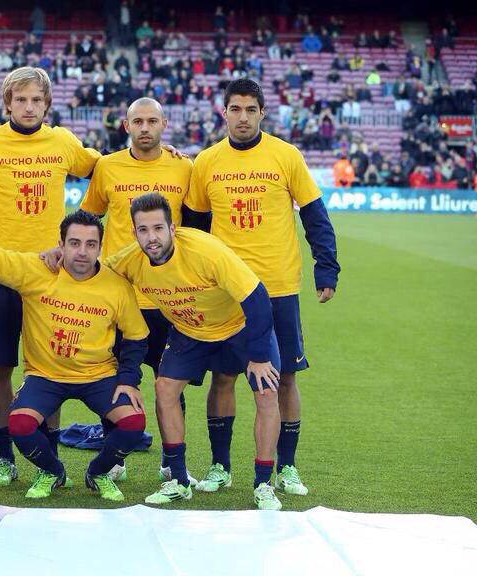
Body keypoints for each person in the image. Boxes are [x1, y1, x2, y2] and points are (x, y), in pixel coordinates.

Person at [0, 67, 102, 486]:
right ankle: (4, 456)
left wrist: (157, 153)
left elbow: (108, 170)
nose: (29, 107)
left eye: (36, 100)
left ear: (47, 105)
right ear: (7, 104)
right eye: (21, 99)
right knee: (0, 369)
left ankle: (50, 459)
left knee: (51, 370)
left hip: (51, 275)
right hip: (0, 275)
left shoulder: (63, 142)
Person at [184, 78, 340, 497]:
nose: (243, 117)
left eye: (251, 110)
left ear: (262, 113)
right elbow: (193, 229)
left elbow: (315, 215)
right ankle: (220, 466)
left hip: (278, 286)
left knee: (285, 377)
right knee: (223, 377)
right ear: (224, 113)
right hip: (225, 291)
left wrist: (326, 269)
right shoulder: (206, 162)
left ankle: (287, 466)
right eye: (235, 109)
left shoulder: (286, 155)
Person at [108, 193, 284, 510]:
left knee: (266, 390)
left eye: (158, 228)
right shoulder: (130, 260)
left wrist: (259, 358)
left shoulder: (206, 251)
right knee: (164, 388)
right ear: (134, 233)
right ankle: (178, 480)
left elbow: (257, 297)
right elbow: (93, 274)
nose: (151, 237)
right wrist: (55, 258)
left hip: (239, 326)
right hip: (190, 331)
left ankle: (263, 484)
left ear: (172, 228)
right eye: (143, 230)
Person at [0, 210, 151, 502]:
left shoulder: (117, 285)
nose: (82, 252)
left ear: (100, 248)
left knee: (133, 425)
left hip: (98, 376)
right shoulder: (36, 270)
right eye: (74, 243)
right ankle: (53, 471)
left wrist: (128, 380)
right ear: (61, 244)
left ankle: (98, 472)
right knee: (19, 425)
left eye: (90, 244)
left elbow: (137, 336)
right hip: (45, 376)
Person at [76, 97, 198, 485]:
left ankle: (171, 461)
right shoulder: (107, 167)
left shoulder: (184, 167)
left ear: (164, 124)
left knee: (170, 384)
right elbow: (88, 218)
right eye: (138, 122)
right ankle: (115, 458)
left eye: (152, 121)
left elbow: (197, 225)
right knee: (113, 381)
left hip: (168, 296)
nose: (145, 128)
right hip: (118, 296)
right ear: (126, 126)